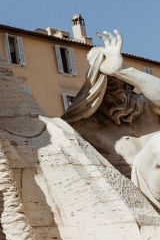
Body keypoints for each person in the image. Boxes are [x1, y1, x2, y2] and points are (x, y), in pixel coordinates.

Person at [65, 30, 160, 208]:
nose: (120, 89)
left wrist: (124, 70)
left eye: (123, 83)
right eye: (109, 83)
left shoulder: (146, 106)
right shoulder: (86, 128)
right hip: (135, 197)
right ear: (96, 92)